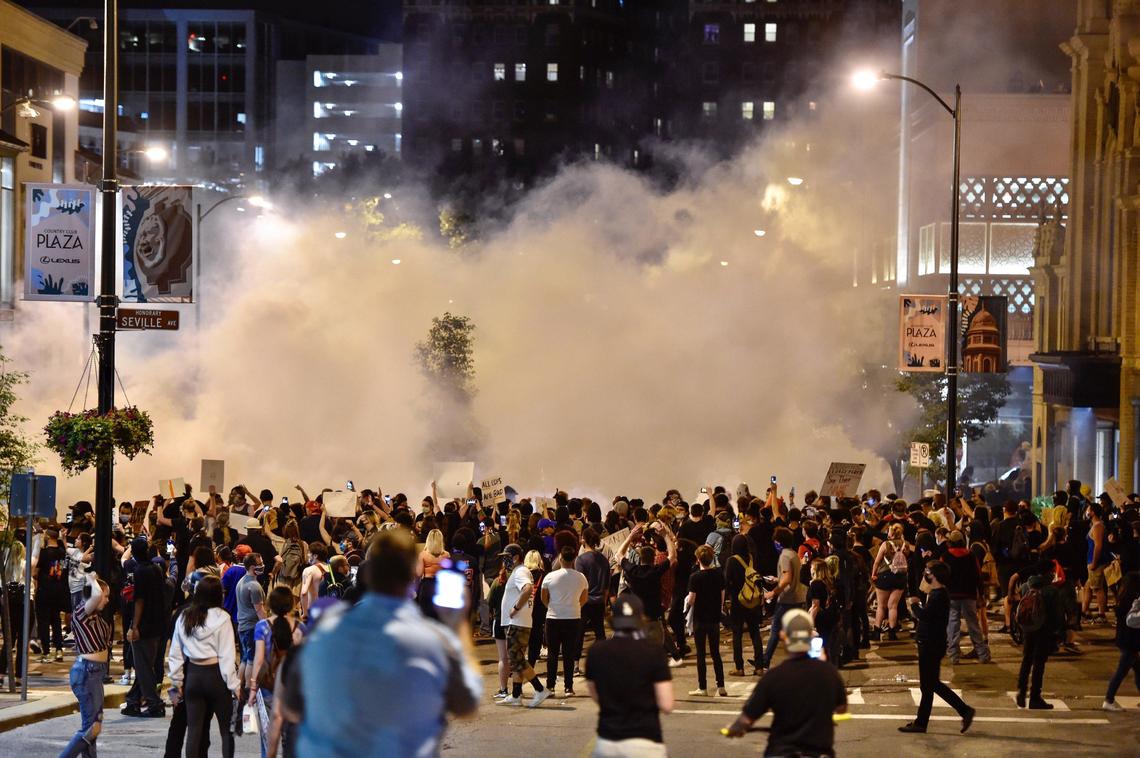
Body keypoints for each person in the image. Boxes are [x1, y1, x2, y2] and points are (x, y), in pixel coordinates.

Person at [290, 528, 481, 755]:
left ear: (368, 572)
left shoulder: (328, 633)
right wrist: (458, 625)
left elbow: (294, 703)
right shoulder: (431, 640)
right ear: (410, 572)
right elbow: (466, 702)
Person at [722, 609, 846, 757]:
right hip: (818, 752)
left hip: (782, 751)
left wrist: (735, 728)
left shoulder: (774, 677)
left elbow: (747, 718)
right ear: (811, 637)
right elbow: (841, 708)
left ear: (783, 636)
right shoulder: (829, 673)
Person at [584, 593, 674, 758]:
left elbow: (595, 694)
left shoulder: (596, 651)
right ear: (641, 619)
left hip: (608, 741)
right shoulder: (654, 652)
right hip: (646, 741)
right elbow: (667, 704)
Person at [898, 560, 976, 734]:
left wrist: (913, 604)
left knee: (930, 685)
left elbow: (925, 616)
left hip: (930, 644)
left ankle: (963, 710)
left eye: (928, 571)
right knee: (929, 685)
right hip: (932, 642)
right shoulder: (937, 593)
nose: (925, 573)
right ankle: (922, 722)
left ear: (935, 576)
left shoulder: (939, 595)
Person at [168, 576, 240, 758]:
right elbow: (227, 655)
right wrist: (234, 685)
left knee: (194, 731)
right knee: (226, 731)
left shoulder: (185, 616)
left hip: (193, 675)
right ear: (218, 595)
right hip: (215, 676)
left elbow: (176, 653)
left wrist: (176, 682)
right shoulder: (223, 617)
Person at [249, 587, 307, 757]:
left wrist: (253, 689)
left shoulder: (262, 627)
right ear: (291, 605)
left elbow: (259, 660)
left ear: (270, 605)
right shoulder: (300, 628)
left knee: (268, 733)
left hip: (268, 685)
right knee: (290, 735)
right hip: (292, 687)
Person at [60, 571, 112, 758]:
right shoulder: (81, 613)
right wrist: (91, 578)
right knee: (92, 727)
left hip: (94, 673)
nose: (106, 600)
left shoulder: (99, 620)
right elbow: (96, 594)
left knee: (93, 727)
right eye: (105, 596)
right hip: (86, 672)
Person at [498, 543, 550, 707]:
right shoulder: (519, 571)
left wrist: (515, 608)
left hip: (517, 622)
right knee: (516, 660)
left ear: (515, 557)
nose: (504, 561)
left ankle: (540, 689)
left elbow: (527, 589)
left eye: (507, 557)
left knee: (518, 659)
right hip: (519, 622)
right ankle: (516, 694)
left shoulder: (520, 571)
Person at [123, 537, 168, 717]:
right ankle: (133, 701)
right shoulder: (157, 569)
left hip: (144, 625)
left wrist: (134, 626)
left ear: (133, 552)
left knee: (143, 667)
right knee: (145, 664)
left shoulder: (139, 571)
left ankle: (154, 703)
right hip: (157, 623)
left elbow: (139, 601)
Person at [541, 536, 588, 696]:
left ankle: (551, 686)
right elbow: (584, 598)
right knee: (569, 653)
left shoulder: (549, 577)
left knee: (553, 654)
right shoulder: (581, 577)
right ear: (574, 559)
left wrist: (551, 606)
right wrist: (574, 606)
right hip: (573, 617)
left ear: (560, 558)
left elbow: (543, 597)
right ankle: (569, 687)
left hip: (553, 617)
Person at [1016, 560, 1065, 709]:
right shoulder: (1051, 590)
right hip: (1044, 630)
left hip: (1028, 629)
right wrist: (1059, 634)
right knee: (1039, 664)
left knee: (1026, 659)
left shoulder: (1025, 586)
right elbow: (1058, 615)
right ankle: (1035, 697)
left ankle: (1021, 691)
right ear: (1048, 572)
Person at [943, 530, 991, 664]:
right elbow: (978, 576)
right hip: (969, 594)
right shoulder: (971, 555)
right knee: (973, 624)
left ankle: (953, 655)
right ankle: (982, 654)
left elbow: (943, 577)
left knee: (953, 624)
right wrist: (981, 594)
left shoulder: (946, 556)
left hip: (952, 595)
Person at [762, 527, 806, 669]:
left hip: (787, 598)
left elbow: (787, 579)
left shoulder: (785, 556)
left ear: (778, 542)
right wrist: (777, 579)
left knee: (776, 628)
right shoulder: (793, 554)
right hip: (798, 596)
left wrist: (773, 592)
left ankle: (765, 660)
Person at [687, 544, 727, 696]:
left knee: (701, 653)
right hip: (714, 617)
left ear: (698, 560)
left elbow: (691, 600)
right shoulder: (718, 574)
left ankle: (702, 687)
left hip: (700, 618)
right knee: (715, 652)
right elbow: (722, 596)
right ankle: (721, 685)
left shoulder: (695, 577)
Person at [725, 534, 764, 676]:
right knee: (755, 633)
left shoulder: (732, 561)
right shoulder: (752, 558)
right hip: (753, 601)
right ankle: (759, 666)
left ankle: (739, 667)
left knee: (737, 634)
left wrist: (726, 599)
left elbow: (727, 581)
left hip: (738, 602)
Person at [1103, 571, 1140, 711]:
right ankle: (1109, 699)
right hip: (1130, 640)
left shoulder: (1122, 597)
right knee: (1121, 671)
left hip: (1124, 638)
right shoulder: (1133, 599)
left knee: (1138, 669)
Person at [575, 528, 611, 672]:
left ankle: (576, 665)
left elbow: (579, 583)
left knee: (579, 633)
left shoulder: (581, 559)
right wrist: (604, 601)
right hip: (599, 600)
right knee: (600, 632)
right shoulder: (603, 559)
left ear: (584, 539)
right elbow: (607, 585)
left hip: (584, 601)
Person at [32, 528, 69, 663]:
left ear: (47, 537)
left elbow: (35, 572)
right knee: (56, 621)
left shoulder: (43, 553)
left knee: (44, 622)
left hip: (44, 590)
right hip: (58, 590)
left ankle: (46, 651)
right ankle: (59, 650)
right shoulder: (62, 552)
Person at [235, 553, 267, 704]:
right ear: (253, 567)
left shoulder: (241, 581)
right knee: (252, 660)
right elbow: (259, 610)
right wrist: (267, 627)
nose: (262, 565)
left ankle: (237, 687)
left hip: (242, 626)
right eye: (260, 563)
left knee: (244, 658)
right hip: (251, 627)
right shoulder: (254, 586)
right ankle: (248, 688)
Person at [871, 523, 910, 640]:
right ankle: (892, 632)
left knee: (881, 606)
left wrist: (873, 574)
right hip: (900, 576)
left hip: (885, 575)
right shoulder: (905, 544)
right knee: (893, 606)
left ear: (891, 533)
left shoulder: (885, 544)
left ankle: (877, 631)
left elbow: (877, 561)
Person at [416, 528, 449, 618]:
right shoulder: (446, 555)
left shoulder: (422, 555)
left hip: (427, 585)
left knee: (425, 615)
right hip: (441, 585)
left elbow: (419, 573)